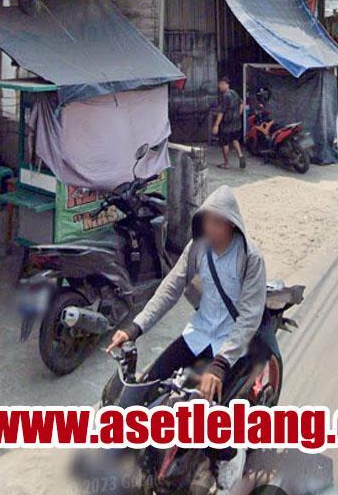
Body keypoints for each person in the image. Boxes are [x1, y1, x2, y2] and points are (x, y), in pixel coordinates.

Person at [107, 186, 265, 490]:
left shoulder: (250, 258)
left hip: (231, 344)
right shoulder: (197, 249)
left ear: (231, 224)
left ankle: (230, 456)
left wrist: (221, 364)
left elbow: (249, 316)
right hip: (199, 334)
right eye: (207, 221)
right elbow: (170, 288)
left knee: (208, 418)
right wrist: (135, 327)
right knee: (145, 388)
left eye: (217, 222)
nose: (210, 228)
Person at [211, 76, 245, 170]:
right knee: (234, 140)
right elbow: (241, 104)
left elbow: (221, 112)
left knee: (224, 143)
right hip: (236, 123)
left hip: (227, 124)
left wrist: (216, 125)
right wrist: (238, 114)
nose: (220, 86)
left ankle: (226, 163)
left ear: (226, 85)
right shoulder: (234, 93)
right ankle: (240, 155)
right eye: (219, 84)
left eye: (221, 84)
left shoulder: (225, 96)